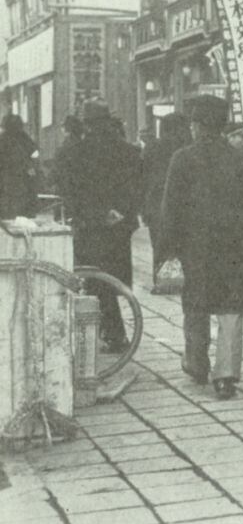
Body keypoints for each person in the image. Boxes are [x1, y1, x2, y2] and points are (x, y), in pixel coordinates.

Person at [160, 94, 243, 400]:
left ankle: (196, 363)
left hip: (195, 246)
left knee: (196, 305)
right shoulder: (242, 159)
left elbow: (170, 208)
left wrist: (167, 249)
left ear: (196, 126)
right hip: (234, 246)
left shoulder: (182, 158)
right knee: (231, 309)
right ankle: (225, 376)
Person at [59, 100, 143, 353]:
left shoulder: (75, 152)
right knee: (112, 279)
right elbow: (139, 186)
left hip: (91, 225)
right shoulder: (128, 150)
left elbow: (69, 190)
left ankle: (102, 333)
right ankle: (112, 332)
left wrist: (86, 215)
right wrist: (122, 211)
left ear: (86, 124)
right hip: (119, 225)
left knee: (93, 278)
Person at [142, 113, 191, 287]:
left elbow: (143, 177)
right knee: (184, 243)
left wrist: (144, 208)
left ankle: (162, 280)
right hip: (183, 204)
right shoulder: (187, 148)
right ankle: (185, 278)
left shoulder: (152, 147)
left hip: (156, 203)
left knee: (159, 243)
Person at [0, 114, 39, 219]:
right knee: (23, 207)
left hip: (6, 178)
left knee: (7, 208)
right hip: (23, 175)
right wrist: (31, 166)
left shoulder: (3, 138)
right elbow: (35, 153)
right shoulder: (24, 137)